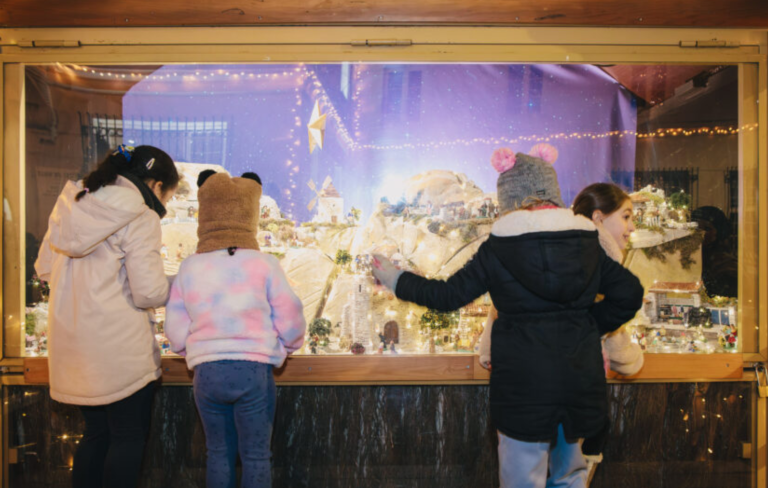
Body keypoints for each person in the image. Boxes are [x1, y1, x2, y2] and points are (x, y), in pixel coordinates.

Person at [371, 145, 644, 488]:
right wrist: (589, 325)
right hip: (578, 383)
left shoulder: (498, 248)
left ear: (509, 197)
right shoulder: (587, 242)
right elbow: (629, 293)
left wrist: (396, 279)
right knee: (572, 477)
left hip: (522, 386)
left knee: (521, 480)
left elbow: (447, 296)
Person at [35, 144, 180, 488]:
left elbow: (43, 270)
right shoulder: (140, 216)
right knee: (128, 437)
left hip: (73, 349)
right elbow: (149, 292)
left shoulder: (71, 207)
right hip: (120, 353)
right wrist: (179, 282)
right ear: (156, 185)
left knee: (95, 436)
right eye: (169, 196)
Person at [165, 169, 306, 488]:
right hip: (253, 371)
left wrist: (194, 350)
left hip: (207, 373)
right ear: (250, 214)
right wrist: (286, 348)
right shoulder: (264, 264)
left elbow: (174, 329)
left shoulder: (190, 267)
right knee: (257, 456)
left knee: (217, 453)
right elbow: (291, 317)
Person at [479, 182, 644, 377]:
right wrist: (636, 356)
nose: (632, 227)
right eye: (626, 217)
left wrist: (488, 349)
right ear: (598, 218)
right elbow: (622, 357)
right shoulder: (593, 265)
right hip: (567, 384)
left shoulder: (554, 250)